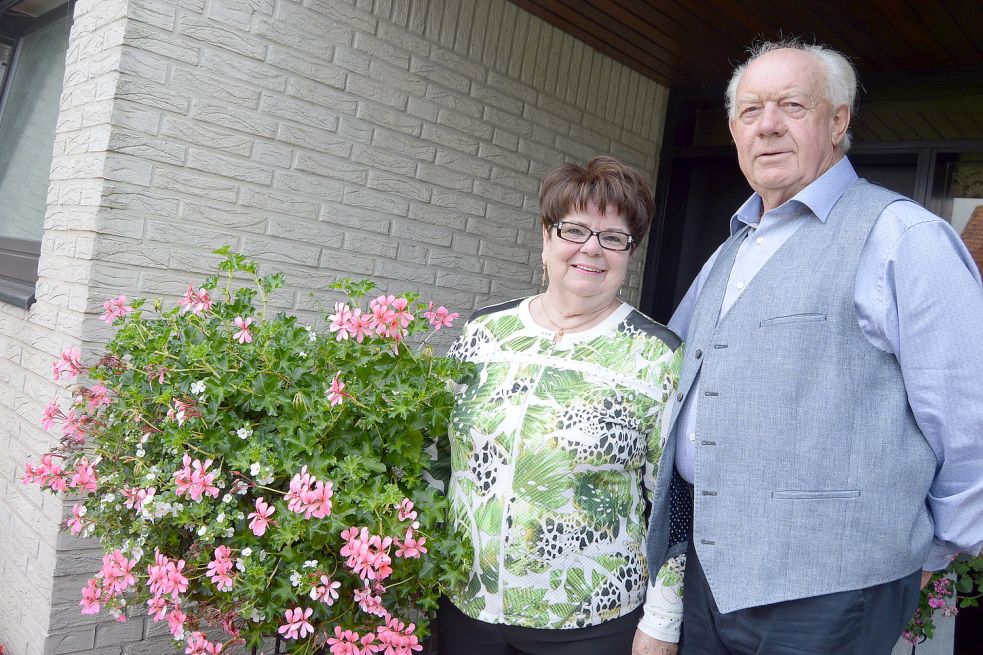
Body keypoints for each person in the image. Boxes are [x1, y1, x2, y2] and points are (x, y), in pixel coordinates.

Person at [642, 40, 983, 654]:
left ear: (838, 121)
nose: (767, 125)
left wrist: (936, 545)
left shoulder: (903, 237)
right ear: (734, 131)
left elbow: (969, 410)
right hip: (712, 575)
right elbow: (678, 373)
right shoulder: (731, 249)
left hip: (832, 590)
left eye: (791, 105)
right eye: (750, 111)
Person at [436, 156, 687, 655]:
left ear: (629, 252)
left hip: (592, 620)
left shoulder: (658, 355)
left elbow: (672, 502)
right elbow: (440, 461)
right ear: (546, 237)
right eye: (574, 230)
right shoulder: (485, 332)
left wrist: (663, 621)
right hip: (465, 602)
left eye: (613, 237)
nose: (591, 249)